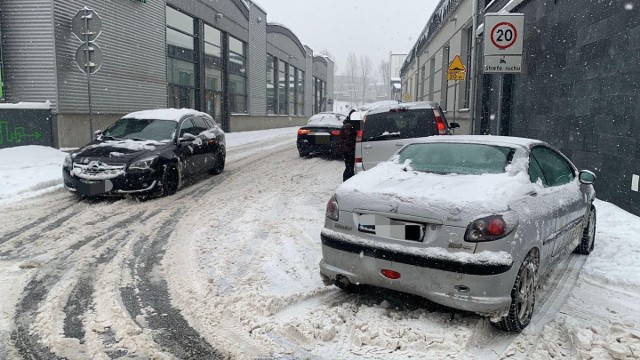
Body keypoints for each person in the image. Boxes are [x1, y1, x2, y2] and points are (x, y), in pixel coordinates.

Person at [337, 109, 358, 181]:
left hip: (346, 149)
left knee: (349, 166)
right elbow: (349, 139)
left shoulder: (349, 124)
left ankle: (347, 181)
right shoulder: (349, 126)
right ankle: (347, 182)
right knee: (350, 168)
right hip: (348, 150)